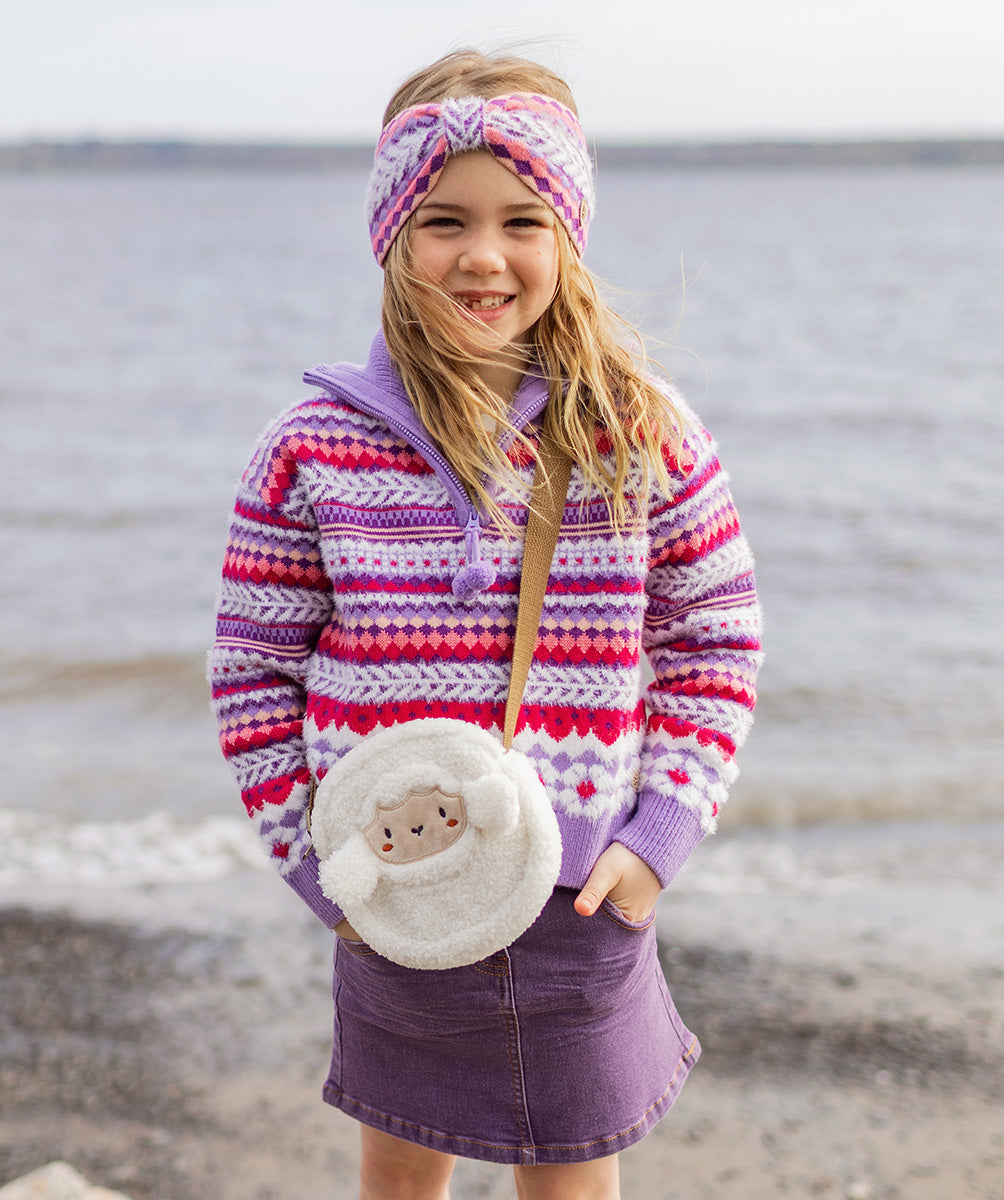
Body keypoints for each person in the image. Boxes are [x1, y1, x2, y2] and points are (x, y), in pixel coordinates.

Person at [210, 49, 762, 1200]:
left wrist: (659, 836)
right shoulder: (312, 447)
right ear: (392, 237)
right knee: (402, 1178)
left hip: (582, 891)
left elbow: (713, 639)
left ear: (567, 238)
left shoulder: (639, 433)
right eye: (442, 220)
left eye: (523, 220)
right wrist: (319, 867)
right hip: (397, 889)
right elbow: (253, 671)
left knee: (569, 1181)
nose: (483, 255)